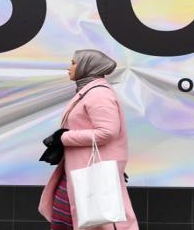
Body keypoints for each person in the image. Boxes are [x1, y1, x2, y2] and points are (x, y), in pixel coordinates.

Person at [39, 49, 139, 230]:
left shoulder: (98, 94)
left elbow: (107, 132)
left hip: (89, 171)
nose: (69, 67)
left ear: (87, 66)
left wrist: (64, 137)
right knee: (69, 218)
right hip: (81, 170)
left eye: (73, 63)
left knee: (93, 221)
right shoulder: (88, 91)